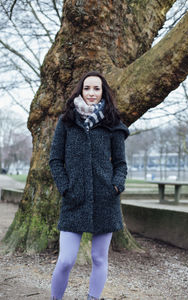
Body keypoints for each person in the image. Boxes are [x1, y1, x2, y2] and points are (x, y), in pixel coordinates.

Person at [49, 71, 129, 300]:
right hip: (74, 199)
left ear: (103, 92)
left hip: (105, 199)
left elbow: (121, 164)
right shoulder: (67, 121)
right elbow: (55, 159)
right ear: (80, 91)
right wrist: (65, 187)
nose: (91, 93)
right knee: (65, 260)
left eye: (96, 88)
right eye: (87, 88)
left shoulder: (112, 123)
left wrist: (116, 186)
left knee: (99, 258)